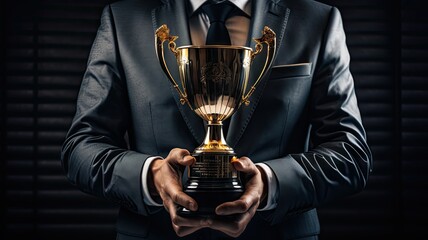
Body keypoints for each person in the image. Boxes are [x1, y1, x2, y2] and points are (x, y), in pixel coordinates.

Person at [60, 0, 373, 239]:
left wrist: (268, 183)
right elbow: (81, 147)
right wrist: (151, 175)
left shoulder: (317, 20)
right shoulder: (123, 19)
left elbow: (351, 154)